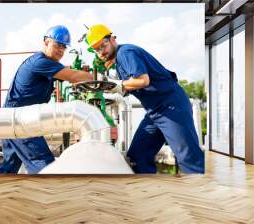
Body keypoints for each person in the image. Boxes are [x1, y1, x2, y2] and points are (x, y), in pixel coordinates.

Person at [85, 24, 204, 174]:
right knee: (138, 156)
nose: (102, 51)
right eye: (97, 49)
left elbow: (143, 81)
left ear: (112, 39)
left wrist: (119, 85)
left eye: (104, 45)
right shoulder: (119, 62)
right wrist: (114, 85)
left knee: (188, 157)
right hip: (154, 112)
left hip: (171, 107)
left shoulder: (125, 53)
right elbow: (132, 85)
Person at [0, 25, 93, 174]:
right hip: (21, 120)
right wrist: (95, 77)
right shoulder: (40, 62)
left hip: (11, 118)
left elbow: (68, 73)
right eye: (57, 45)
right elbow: (73, 77)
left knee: (8, 168)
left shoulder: (47, 64)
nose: (61, 50)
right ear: (46, 43)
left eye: (64, 47)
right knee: (44, 165)